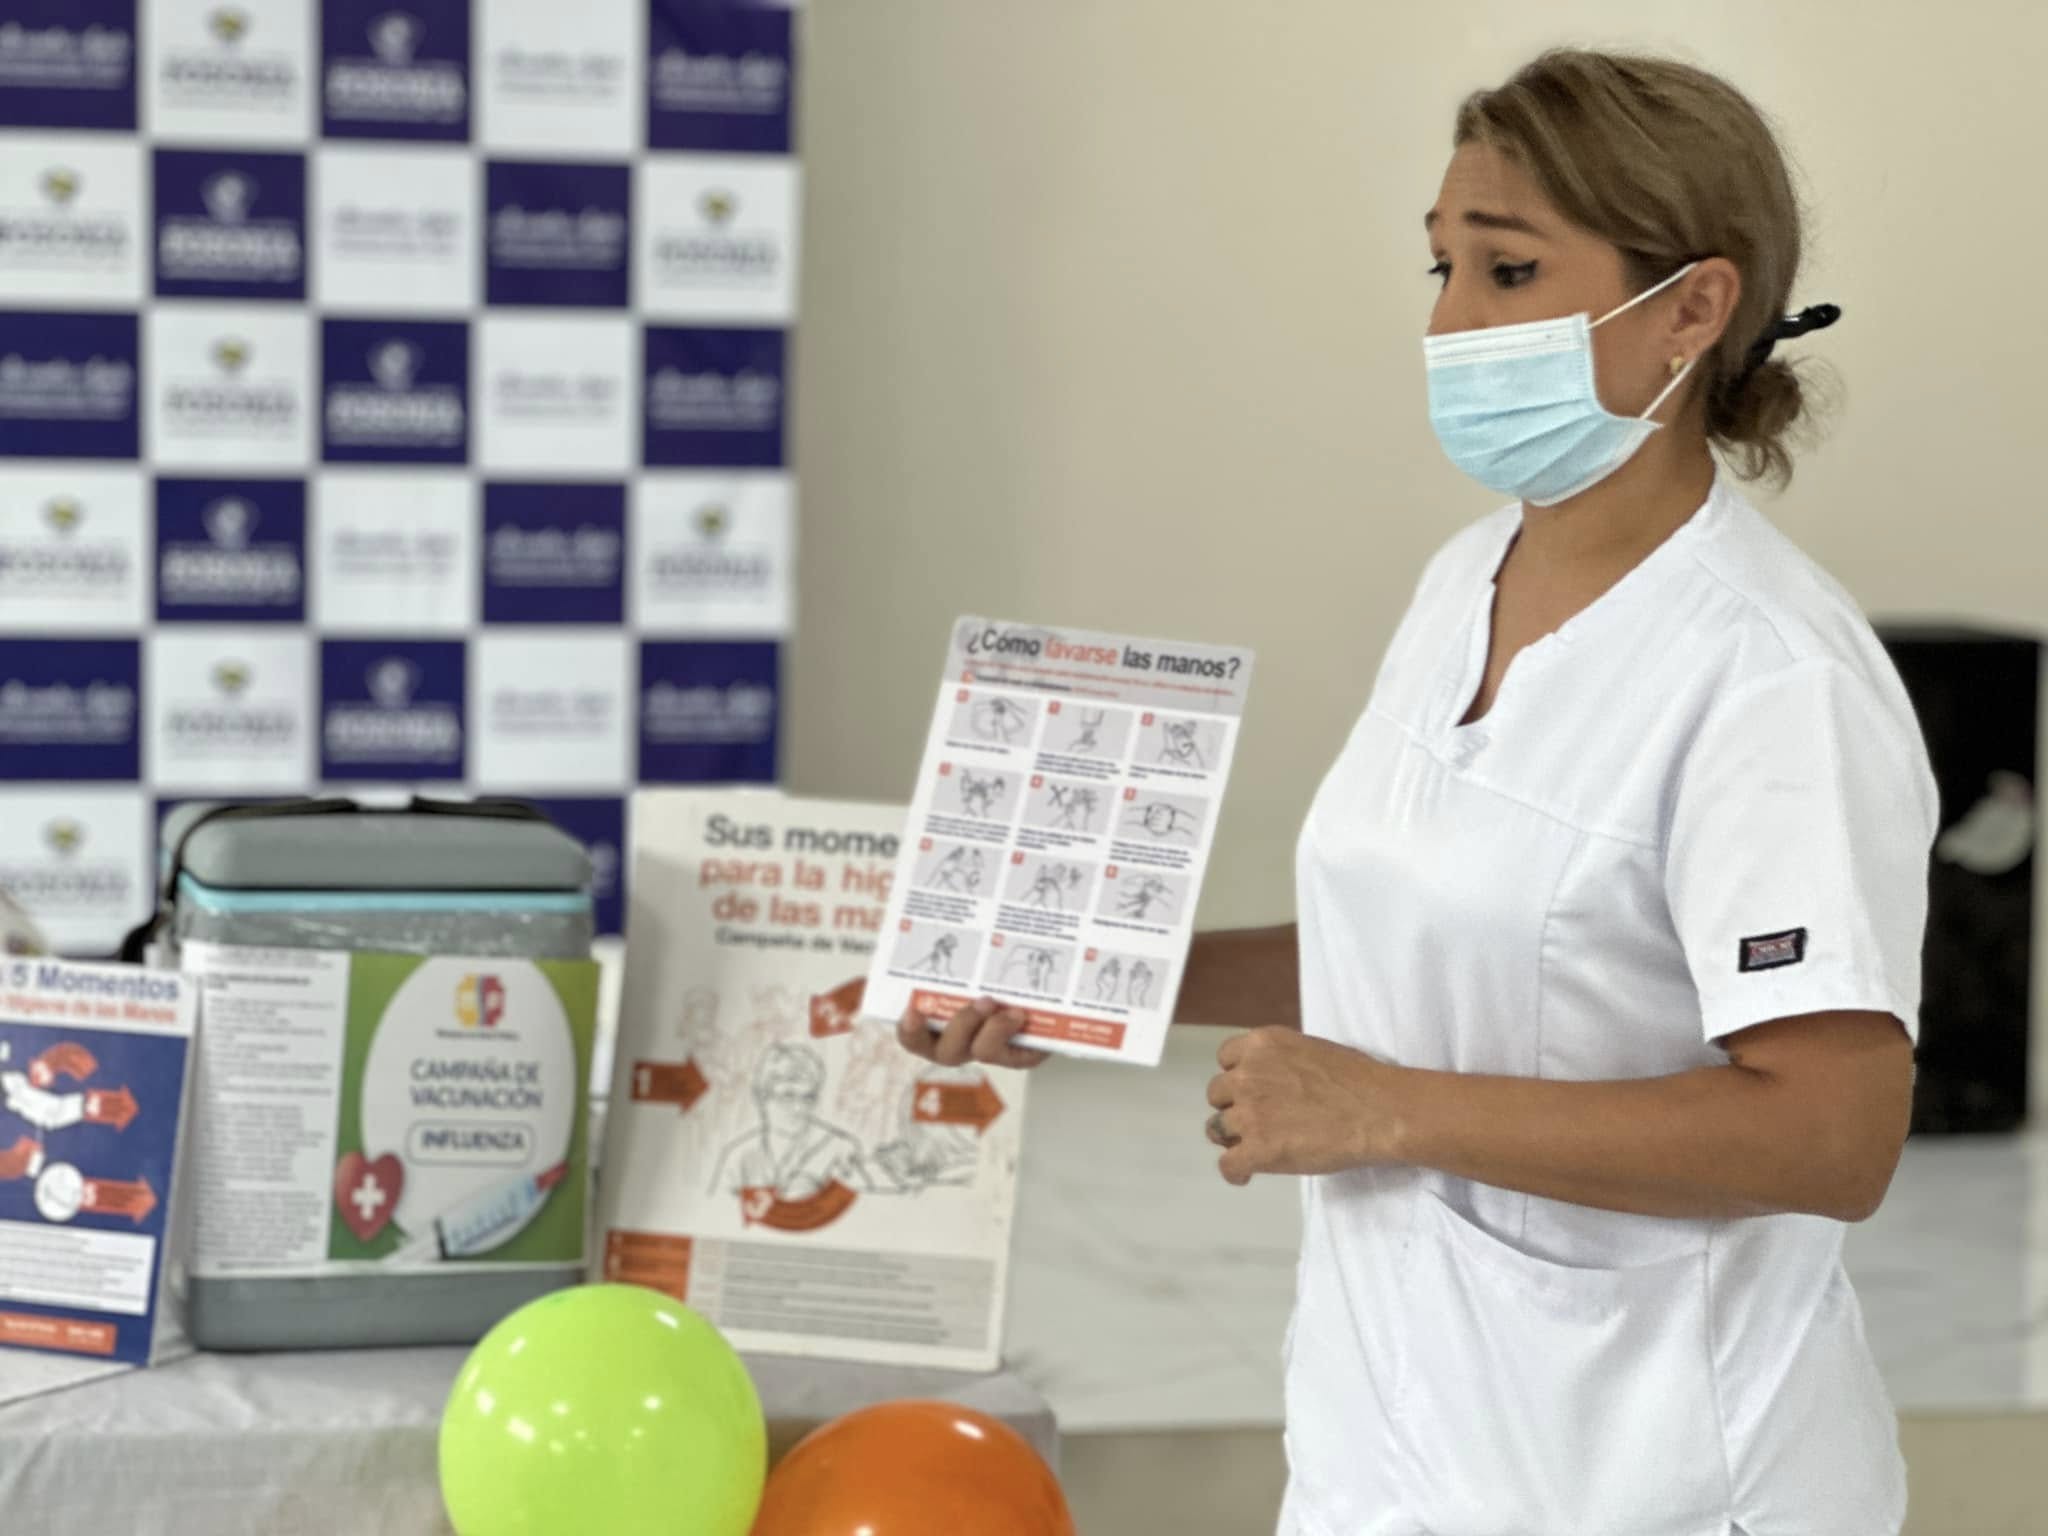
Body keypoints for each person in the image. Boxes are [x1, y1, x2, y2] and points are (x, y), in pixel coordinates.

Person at [895, 47, 1937, 1536]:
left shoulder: (1774, 679)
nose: (1449, 323)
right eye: (1442, 267)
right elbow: (1415, 949)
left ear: (1693, 309)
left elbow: (1831, 1134)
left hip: (1658, 1483)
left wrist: (1385, 1114)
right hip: (1386, 1461)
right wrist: (1098, 981)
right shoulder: (1466, 581)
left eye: (1509, 271)